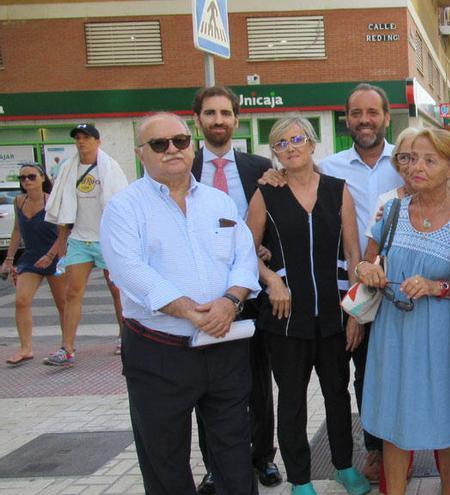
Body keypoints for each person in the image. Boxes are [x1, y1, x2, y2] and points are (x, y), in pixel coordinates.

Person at [101, 112, 260, 495]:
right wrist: (190, 311)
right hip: (159, 353)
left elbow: (244, 257)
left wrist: (230, 301)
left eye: (180, 141)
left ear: (192, 145)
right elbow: (128, 271)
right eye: (159, 144)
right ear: (142, 153)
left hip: (224, 347)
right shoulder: (124, 208)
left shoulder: (218, 201)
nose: (172, 149)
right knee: (165, 459)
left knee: (235, 453)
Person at [246, 116, 369, 495]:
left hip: (333, 315)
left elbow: (353, 253)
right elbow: (244, 252)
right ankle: (300, 479)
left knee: (337, 393)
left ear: (313, 144)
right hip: (284, 319)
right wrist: (272, 280)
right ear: (275, 154)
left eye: (297, 139)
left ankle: (345, 468)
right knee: (293, 400)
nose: (290, 147)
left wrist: (355, 313)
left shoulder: (337, 190)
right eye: (281, 143)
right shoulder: (266, 193)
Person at [357, 128, 450, 495]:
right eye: (409, 158)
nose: (416, 166)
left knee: (449, 420)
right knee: (395, 421)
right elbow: (363, 262)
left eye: (429, 159)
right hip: (394, 333)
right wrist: (367, 270)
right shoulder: (392, 211)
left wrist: (438, 287)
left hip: (444, 336)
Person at [189, 85, 280, 493]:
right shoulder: (182, 167)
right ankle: (215, 466)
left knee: (258, 382)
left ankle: (262, 457)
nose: (218, 120)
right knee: (206, 387)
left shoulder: (260, 167)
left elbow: (279, 222)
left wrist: (266, 250)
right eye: (210, 113)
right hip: (204, 296)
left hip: (253, 293)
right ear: (198, 121)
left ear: (236, 120)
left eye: (225, 113)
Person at [315, 83, 404, 480]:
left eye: (373, 112)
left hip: (401, 281)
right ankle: (374, 449)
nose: (364, 120)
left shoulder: (406, 161)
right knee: (361, 370)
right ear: (346, 119)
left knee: (393, 370)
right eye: (356, 113)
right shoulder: (329, 168)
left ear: (387, 116)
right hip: (350, 281)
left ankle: (401, 444)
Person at [44, 123, 128, 365]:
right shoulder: (68, 169)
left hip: (107, 238)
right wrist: (61, 244)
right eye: (78, 138)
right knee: (72, 292)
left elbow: (121, 204)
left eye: (87, 138)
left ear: (97, 142)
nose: (81, 142)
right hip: (80, 238)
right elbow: (63, 207)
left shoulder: (110, 168)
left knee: (117, 291)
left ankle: (124, 337)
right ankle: (67, 348)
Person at [2, 163, 67, 366]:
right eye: (22, 178)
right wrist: (9, 259)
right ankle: (25, 348)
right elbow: (17, 231)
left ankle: (67, 346)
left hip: (55, 256)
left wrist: (50, 255)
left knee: (63, 304)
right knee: (21, 300)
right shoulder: (19, 202)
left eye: (31, 176)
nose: (27, 181)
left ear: (42, 178)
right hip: (30, 257)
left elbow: (63, 233)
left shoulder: (52, 201)